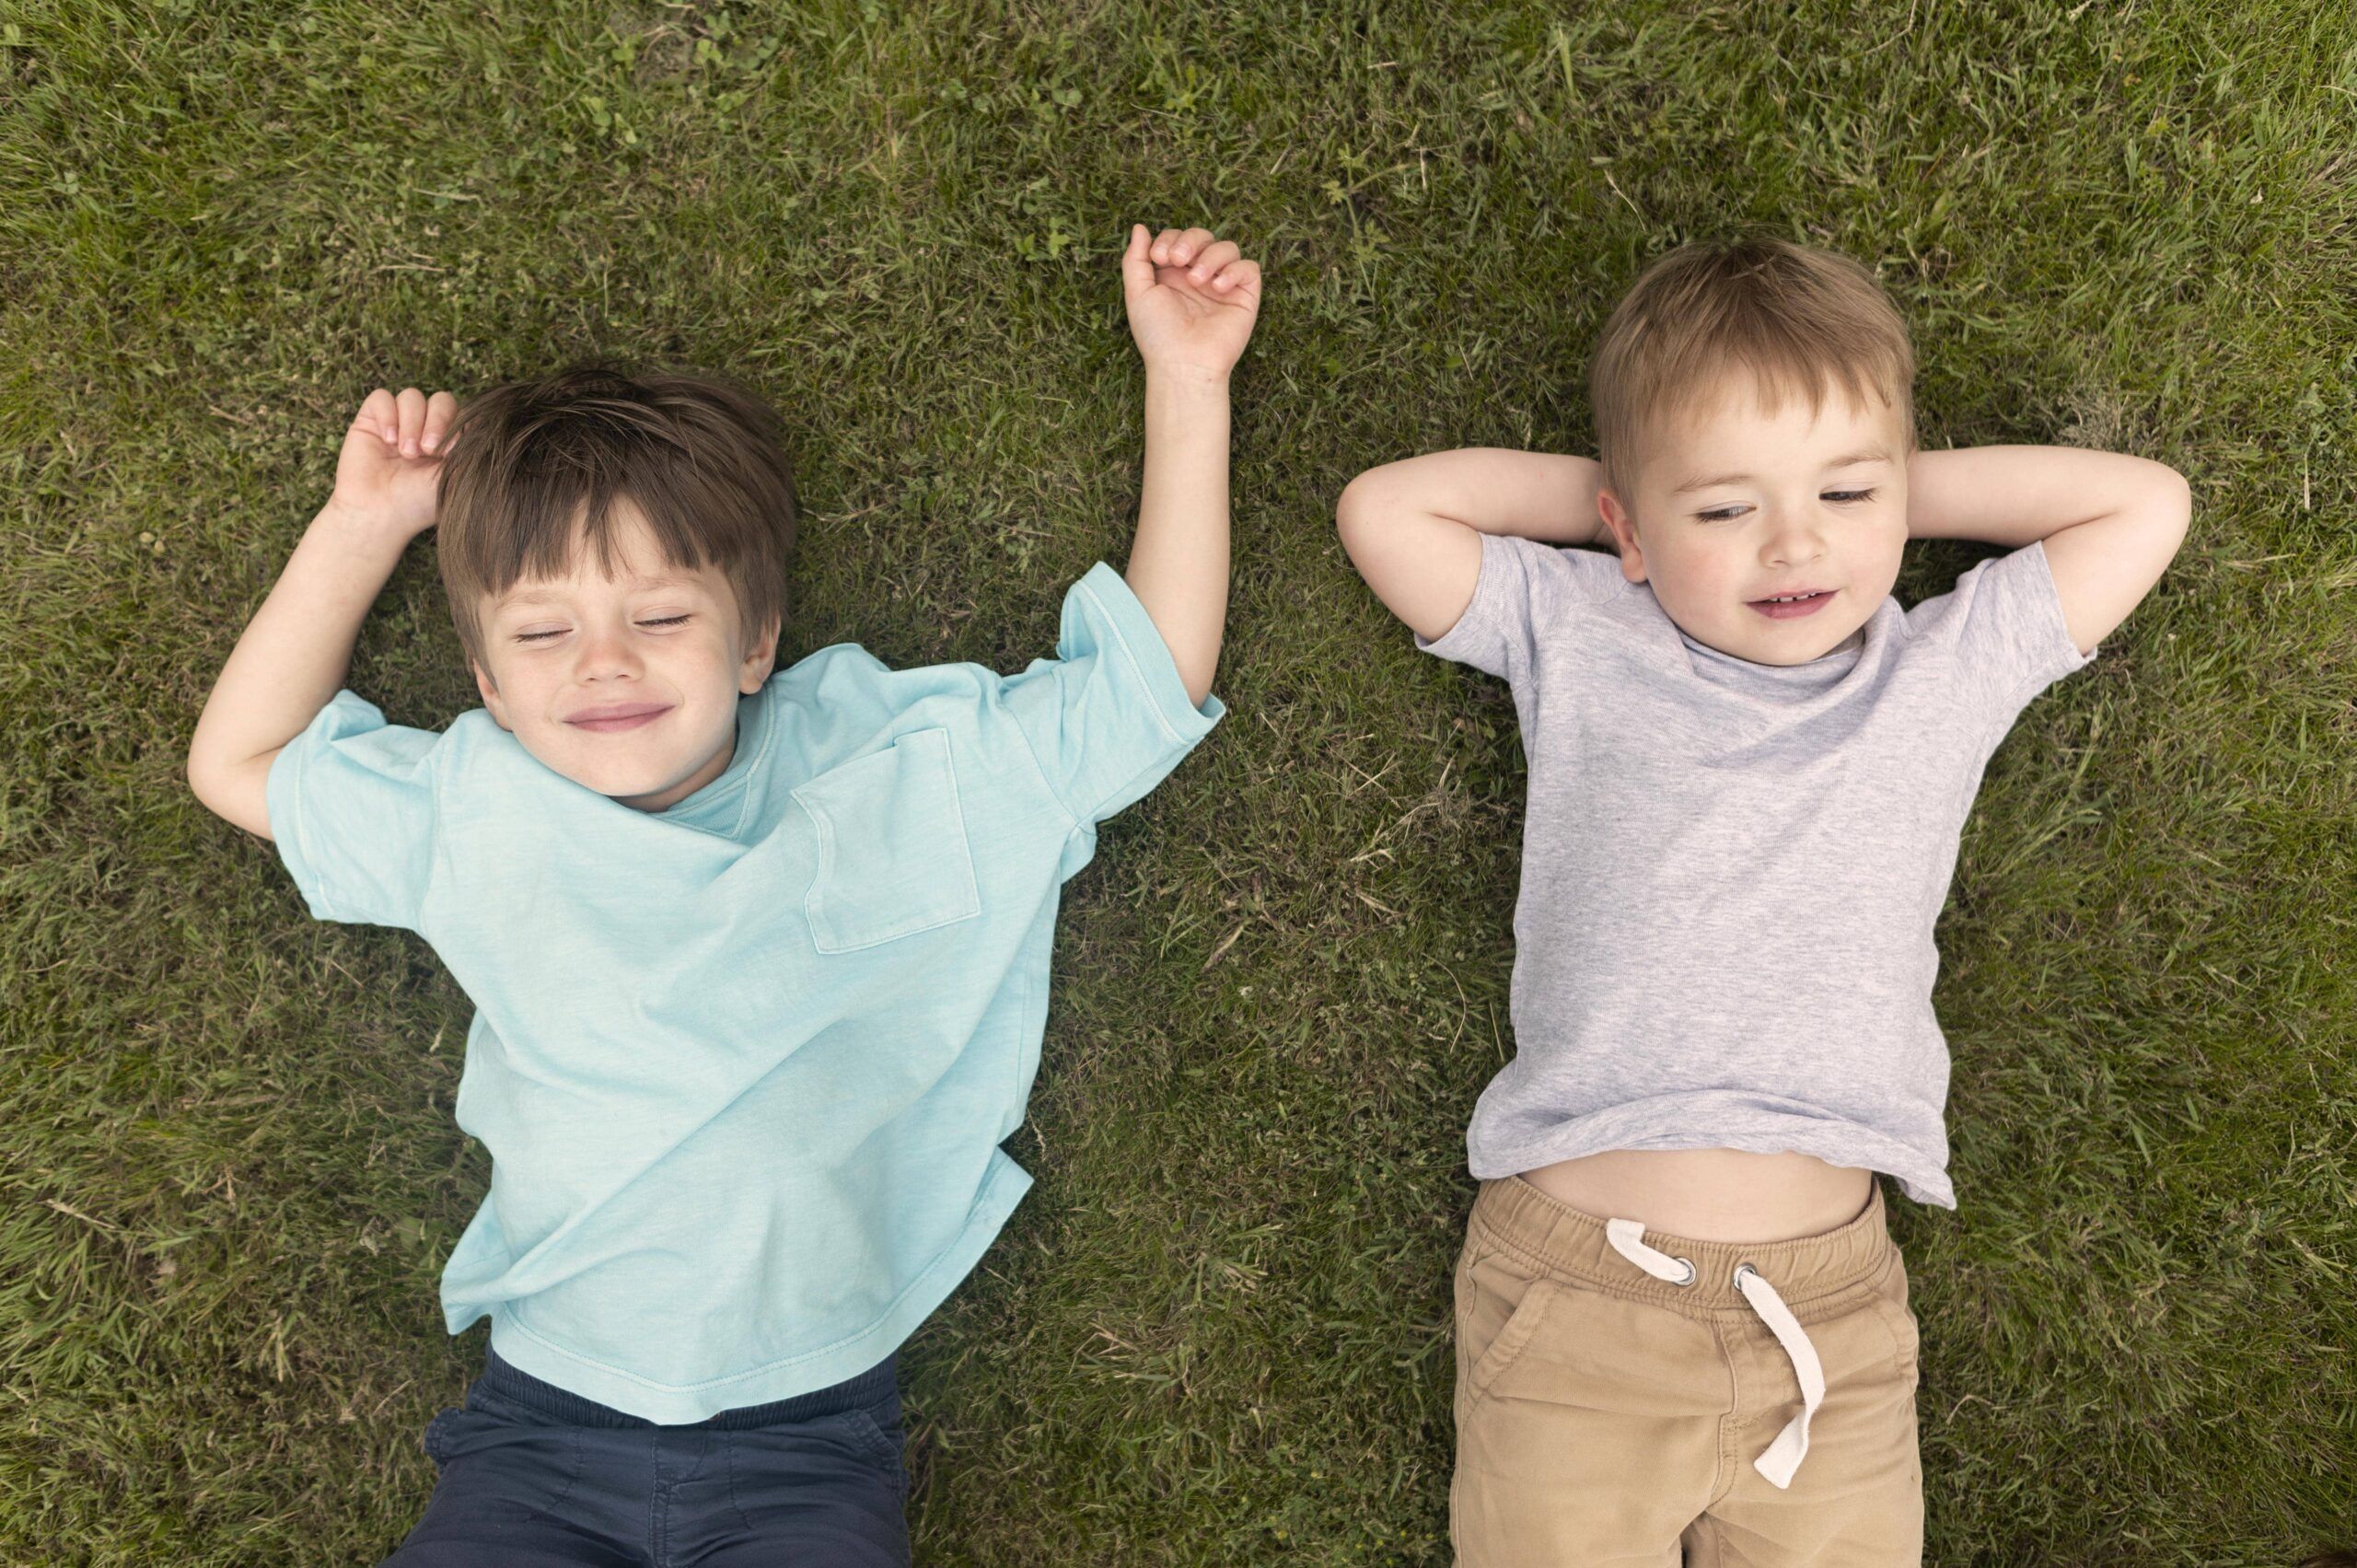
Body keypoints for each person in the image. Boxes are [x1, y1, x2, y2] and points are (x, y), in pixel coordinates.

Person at [183, 223, 1260, 1565]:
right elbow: (238, 763)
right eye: (540, 633)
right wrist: (366, 525)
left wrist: (1188, 381)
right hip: (543, 1427)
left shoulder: (887, 762)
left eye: (663, 615)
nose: (604, 662)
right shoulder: (474, 806)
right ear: (489, 688)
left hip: (804, 1439)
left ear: (755, 644)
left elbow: (1131, 700)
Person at [1336, 236, 2189, 1563]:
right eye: (1726, 511)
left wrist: (1876, 490)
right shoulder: (1582, 629)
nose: (1795, 542)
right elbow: (1388, 512)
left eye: (1842, 493)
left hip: (1831, 1327)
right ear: (1623, 526)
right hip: (1577, 1301)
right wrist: (1636, 503)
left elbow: (2145, 507)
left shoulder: (1939, 670)